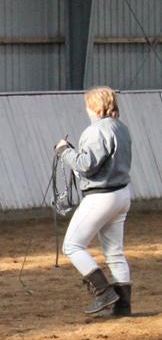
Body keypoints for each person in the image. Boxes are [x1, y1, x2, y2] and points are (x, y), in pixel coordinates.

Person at [54, 86, 133, 316]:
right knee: (115, 252)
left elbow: (86, 165)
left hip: (101, 197)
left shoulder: (95, 131)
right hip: (122, 194)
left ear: (94, 106)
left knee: (72, 245)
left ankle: (103, 291)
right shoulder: (122, 128)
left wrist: (64, 152)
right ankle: (123, 306)